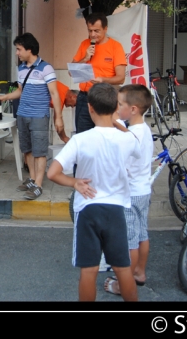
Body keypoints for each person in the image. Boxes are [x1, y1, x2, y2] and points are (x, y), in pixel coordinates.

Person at [47, 83, 140, 302]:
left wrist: (74, 183)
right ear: (116, 107)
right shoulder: (126, 139)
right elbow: (135, 144)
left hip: (87, 210)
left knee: (88, 271)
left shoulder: (80, 140)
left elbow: (52, 173)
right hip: (116, 210)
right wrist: (118, 123)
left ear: (90, 108)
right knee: (123, 269)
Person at [0, 33, 63, 200]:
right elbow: (20, 91)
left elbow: (55, 93)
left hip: (39, 115)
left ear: (29, 49)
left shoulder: (46, 68)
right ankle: (32, 179)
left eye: (19, 49)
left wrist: (58, 117)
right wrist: (4, 97)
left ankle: (38, 185)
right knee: (27, 149)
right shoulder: (21, 69)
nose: (17, 53)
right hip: (23, 114)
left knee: (40, 151)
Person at [103, 84, 154, 295]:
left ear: (133, 109)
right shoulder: (142, 129)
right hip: (143, 189)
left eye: (121, 104)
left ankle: (124, 284)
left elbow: (121, 166)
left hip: (130, 193)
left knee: (129, 241)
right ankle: (139, 272)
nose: (117, 106)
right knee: (142, 234)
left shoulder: (131, 136)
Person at [71, 12, 127, 134]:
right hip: (85, 98)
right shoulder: (85, 44)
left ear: (105, 29)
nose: (92, 35)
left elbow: (121, 78)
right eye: (90, 31)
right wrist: (85, 58)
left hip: (105, 98)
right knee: (83, 136)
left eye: (96, 31)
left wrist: (102, 79)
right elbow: (72, 72)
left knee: (106, 136)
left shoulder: (115, 47)